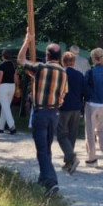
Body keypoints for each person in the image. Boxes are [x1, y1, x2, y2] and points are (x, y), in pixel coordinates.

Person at [17, 34, 68, 197]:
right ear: (59, 57)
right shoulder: (63, 72)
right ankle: (42, 178)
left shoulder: (40, 68)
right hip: (54, 113)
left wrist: (27, 41)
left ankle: (51, 181)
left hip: (40, 112)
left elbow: (21, 60)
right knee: (47, 148)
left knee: (42, 149)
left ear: (47, 56)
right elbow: (63, 94)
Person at [83, 48, 103, 166]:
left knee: (90, 132)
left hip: (92, 103)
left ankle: (92, 158)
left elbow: (85, 88)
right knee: (101, 129)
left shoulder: (89, 72)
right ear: (102, 58)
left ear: (93, 58)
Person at [56, 51, 85, 176]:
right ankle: (68, 161)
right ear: (73, 62)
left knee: (61, 134)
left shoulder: (61, 73)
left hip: (64, 106)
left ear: (63, 61)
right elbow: (84, 91)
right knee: (72, 134)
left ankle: (71, 157)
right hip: (77, 107)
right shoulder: (79, 75)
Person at [0, 49, 18, 134]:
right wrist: (16, 86)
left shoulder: (1, 65)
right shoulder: (13, 65)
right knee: (5, 107)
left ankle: (12, 126)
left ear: (3, 56)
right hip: (12, 86)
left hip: (3, 86)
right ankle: (1, 127)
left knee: (6, 107)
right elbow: (16, 77)